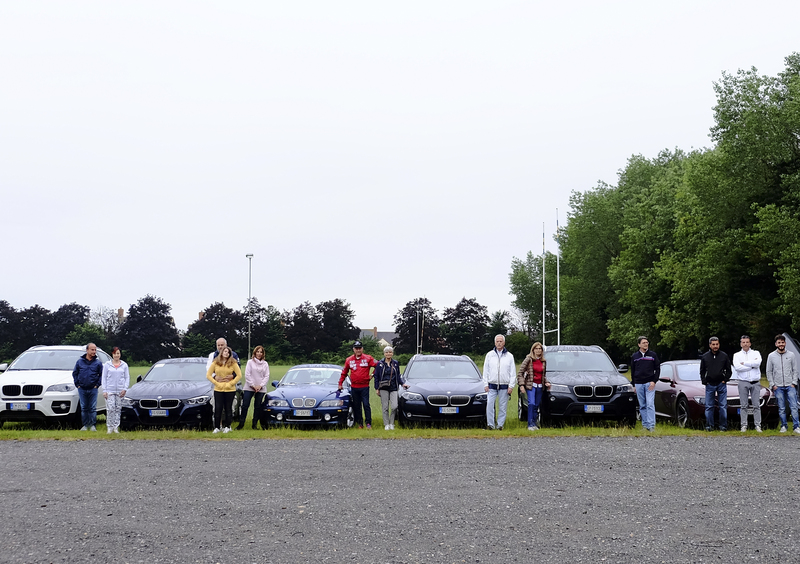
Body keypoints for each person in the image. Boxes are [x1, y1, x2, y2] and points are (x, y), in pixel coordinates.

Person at [338, 340, 377, 429]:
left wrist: (372, 375)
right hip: (354, 387)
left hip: (364, 387)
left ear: (362, 349)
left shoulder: (368, 358)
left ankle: (368, 423)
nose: (358, 350)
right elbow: (344, 372)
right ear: (353, 349)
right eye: (356, 348)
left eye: (360, 348)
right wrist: (340, 383)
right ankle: (359, 423)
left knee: (366, 404)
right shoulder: (349, 360)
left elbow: (378, 365)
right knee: (357, 406)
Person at [766, 334, 799, 434]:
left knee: (794, 406)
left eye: (782, 342)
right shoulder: (771, 356)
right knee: (781, 408)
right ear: (776, 344)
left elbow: (795, 370)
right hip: (778, 386)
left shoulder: (791, 355)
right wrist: (773, 385)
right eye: (779, 342)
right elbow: (769, 371)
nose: (781, 344)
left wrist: (794, 383)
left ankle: (796, 426)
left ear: (785, 343)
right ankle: (783, 426)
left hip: (790, 385)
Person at [482, 335, 515, 430]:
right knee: (489, 405)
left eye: (501, 341)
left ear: (504, 343)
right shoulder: (489, 355)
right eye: (497, 341)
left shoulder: (509, 356)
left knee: (502, 407)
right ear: (494, 342)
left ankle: (500, 425)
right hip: (492, 385)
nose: (499, 343)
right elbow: (486, 370)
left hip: (504, 386)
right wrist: (485, 384)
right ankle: (490, 425)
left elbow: (512, 373)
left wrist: (511, 386)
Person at [206, 346, 242, 433]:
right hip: (218, 389)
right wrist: (216, 383)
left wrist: (231, 383)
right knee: (218, 408)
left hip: (230, 389)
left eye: (228, 352)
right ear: (221, 352)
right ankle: (217, 427)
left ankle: (228, 426)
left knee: (228, 408)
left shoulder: (233, 363)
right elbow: (208, 375)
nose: (226, 353)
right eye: (225, 351)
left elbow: (239, 375)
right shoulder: (215, 363)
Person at [699, 336, 731, 431]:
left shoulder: (724, 356)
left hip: (721, 384)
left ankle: (723, 426)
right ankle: (709, 426)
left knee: (723, 406)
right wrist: (704, 381)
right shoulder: (705, 357)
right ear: (710, 345)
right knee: (709, 407)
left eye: (717, 344)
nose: (715, 346)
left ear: (719, 344)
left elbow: (729, 370)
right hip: (710, 385)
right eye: (713, 344)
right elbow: (702, 370)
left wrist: (725, 379)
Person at [732, 335, 763, 432]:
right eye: (743, 342)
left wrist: (744, 363)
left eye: (747, 342)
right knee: (744, 405)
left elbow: (757, 363)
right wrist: (751, 365)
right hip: (743, 382)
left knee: (756, 405)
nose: (745, 344)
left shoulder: (756, 353)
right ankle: (743, 425)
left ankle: (758, 425)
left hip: (755, 382)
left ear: (750, 343)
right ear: (741, 344)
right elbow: (737, 367)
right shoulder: (737, 355)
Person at [517, 341, 550, 431]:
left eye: (540, 349)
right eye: (537, 348)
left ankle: (535, 423)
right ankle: (530, 424)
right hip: (531, 385)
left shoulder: (543, 361)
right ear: (533, 350)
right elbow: (520, 373)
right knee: (531, 403)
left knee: (536, 405)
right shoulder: (529, 359)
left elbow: (543, 375)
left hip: (540, 386)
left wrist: (546, 382)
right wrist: (521, 385)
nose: (538, 350)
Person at [630, 336, 660, 432]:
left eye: (647, 342)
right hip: (638, 383)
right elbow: (633, 371)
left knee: (650, 404)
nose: (646, 344)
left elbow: (658, 368)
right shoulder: (635, 356)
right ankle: (645, 425)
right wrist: (634, 384)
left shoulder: (652, 355)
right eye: (643, 343)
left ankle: (651, 426)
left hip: (649, 383)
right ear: (639, 344)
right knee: (642, 405)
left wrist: (654, 381)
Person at [373, 346, 406, 430]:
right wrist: (377, 388)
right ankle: (386, 424)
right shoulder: (380, 364)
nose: (388, 354)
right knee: (385, 407)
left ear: (392, 353)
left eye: (390, 352)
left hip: (394, 387)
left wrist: (402, 383)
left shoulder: (395, 363)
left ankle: (392, 423)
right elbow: (376, 376)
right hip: (383, 387)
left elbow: (398, 375)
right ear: (384, 354)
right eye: (387, 352)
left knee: (395, 406)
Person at [72, 343, 104, 431]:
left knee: (92, 408)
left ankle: (92, 425)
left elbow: (102, 375)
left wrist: (97, 385)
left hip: (93, 389)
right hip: (82, 389)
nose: (94, 352)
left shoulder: (98, 363)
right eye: (92, 350)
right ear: (87, 350)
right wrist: (77, 384)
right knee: (84, 407)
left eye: (95, 350)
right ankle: (85, 425)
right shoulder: (79, 362)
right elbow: (75, 373)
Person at [237, 345, 270, 430]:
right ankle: (241, 424)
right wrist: (253, 385)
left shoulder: (265, 364)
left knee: (257, 407)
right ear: (254, 353)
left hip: (261, 388)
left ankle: (254, 424)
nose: (259, 353)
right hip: (249, 387)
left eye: (261, 352)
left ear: (263, 354)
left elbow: (266, 376)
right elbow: (247, 374)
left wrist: (260, 386)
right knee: (245, 405)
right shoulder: (250, 362)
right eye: (257, 352)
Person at [101, 347, 129, 434]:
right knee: (110, 409)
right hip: (110, 390)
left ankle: (116, 427)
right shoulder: (107, 365)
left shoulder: (124, 365)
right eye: (115, 353)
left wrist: (125, 388)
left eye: (118, 353)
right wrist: (104, 390)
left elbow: (127, 377)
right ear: (112, 354)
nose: (116, 355)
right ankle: (109, 427)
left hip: (120, 391)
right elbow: (104, 377)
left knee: (118, 409)